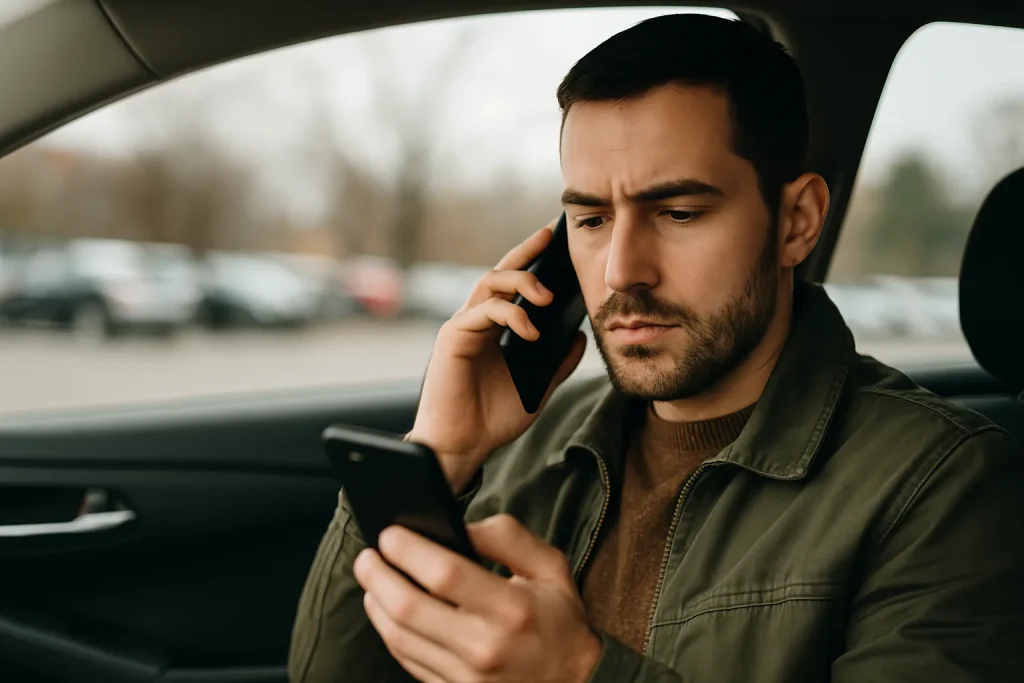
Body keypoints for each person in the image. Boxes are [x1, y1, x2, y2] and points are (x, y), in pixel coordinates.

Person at [289, 13, 1024, 683]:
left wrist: (579, 674)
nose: (621, 271)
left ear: (798, 221)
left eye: (677, 212)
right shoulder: (522, 448)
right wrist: (438, 455)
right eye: (591, 218)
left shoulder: (944, 487)